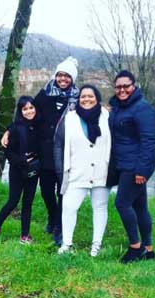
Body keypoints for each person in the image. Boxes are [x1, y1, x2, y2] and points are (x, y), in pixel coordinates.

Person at [1, 57, 80, 246]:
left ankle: (59, 228)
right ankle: (53, 217)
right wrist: (9, 130)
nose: (62, 79)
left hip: (67, 153)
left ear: (72, 79)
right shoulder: (45, 94)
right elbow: (26, 113)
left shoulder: (78, 98)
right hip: (44, 152)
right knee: (46, 191)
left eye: (67, 76)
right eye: (60, 75)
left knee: (63, 192)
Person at [54, 85, 112, 256]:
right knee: (69, 207)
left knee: (100, 207)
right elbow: (58, 142)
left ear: (97, 97)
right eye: (83, 96)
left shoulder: (107, 115)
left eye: (90, 96)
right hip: (76, 172)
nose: (86, 99)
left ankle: (96, 245)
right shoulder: (70, 118)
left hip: (101, 171)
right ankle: (67, 244)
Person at [109, 70, 155, 263]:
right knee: (140, 206)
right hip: (124, 164)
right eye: (118, 86)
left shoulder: (142, 108)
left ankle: (135, 247)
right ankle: (149, 249)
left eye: (126, 86)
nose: (122, 90)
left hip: (135, 166)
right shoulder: (119, 108)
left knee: (122, 203)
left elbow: (149, 141)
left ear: (134, 86)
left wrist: (142, 170)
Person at [0, 96, 41, 244]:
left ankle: (25, 235)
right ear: (20, 111)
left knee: (28, 203)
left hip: (34, 170)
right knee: (13, 201)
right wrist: (22, 161)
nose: (29, 111)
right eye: (25, 109)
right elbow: (8, 152)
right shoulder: (15, 128)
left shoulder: (40, 125)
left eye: (31, 108)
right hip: (17, 170)